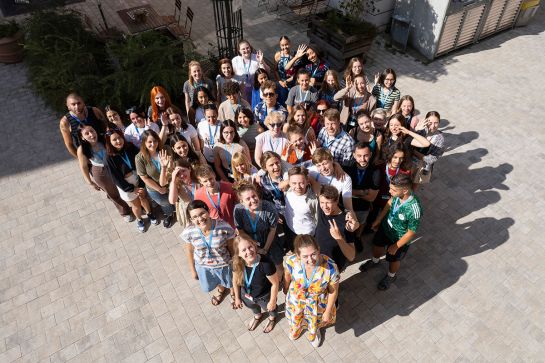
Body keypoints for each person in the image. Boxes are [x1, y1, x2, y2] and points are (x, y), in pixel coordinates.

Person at [359, 173, 423, 290]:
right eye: (390, 188)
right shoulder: (397, 195)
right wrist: (378, 219)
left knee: (394, 259)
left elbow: (411, 232)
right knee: (377, 245)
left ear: (404, 190)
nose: (389, 191)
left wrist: (396, 246)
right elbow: (389, 203)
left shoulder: (414, 209)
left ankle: (391, 276)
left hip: (399, 239)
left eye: (393, 190)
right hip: (385, 228)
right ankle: (375, 261)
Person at [283, 235, 339, 347]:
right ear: (298, 256)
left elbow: (333, 291)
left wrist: (327, 312)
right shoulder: (291, 261)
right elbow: (287, 274)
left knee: (314, 321)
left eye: (313, 254)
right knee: (296, 318)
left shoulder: (331, 268)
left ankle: (313, 332)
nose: (311, 260)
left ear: (318, 249)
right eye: (305, 256)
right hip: (296, 301)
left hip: (316, 304)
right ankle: (296, 329)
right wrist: (286, 287)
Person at [181, 200, 236, 305]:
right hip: (204, 267)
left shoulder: (224, 227)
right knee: (215, 281)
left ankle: (233, 292)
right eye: (195, 217)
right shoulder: (189, 232)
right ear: (191, 219)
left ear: (208, 211)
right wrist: (192, 270)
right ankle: (221, 289)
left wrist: (234, 264)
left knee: (230, 281)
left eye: (202, 213)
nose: (200, 219)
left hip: (224, 265)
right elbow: (189, 250)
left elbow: (231, 247)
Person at [76, 125, 132, 222]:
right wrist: (90, 182)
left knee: (125, 185)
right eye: (87, 133)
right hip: (100, 172)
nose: (91, 134)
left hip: (114, 166)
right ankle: (125, 211)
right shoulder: (82, 149)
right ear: (82, 137)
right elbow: (84, 166)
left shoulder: (104, 139)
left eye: (92, 131)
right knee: (112, 193)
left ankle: (136, 204)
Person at [104, 128, 156, 233]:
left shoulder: (130, 147)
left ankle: (149, 213)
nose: (118, 141)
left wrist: (141, 183)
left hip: (138, 177)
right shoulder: (108, 158)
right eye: (114, 140)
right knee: (136, 205)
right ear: (109, 142)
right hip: (126, 184)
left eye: (119, 138)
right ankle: (140, 220)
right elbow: (115, 178)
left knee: (143, 198)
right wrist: (131, 188)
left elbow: (141, 161)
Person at [232, 236, 279, 333]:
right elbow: (235, 280)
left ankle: (272, 318)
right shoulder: (236, 263)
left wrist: (272, 301)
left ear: (255, 246)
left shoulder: (266, 264)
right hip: (246, 295)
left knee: (271, 309)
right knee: (252, 307)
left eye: (250, 247)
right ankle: (258, 315)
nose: (248, 252)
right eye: (244, 250)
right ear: (238, 253)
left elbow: (275, 283)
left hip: (264, 297)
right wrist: (237, 297)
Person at [233, 181, 284, 269]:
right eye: (248, 199)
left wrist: (265, 249)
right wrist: (255, 246)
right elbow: (240, 231)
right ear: (242, 202)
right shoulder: (238, 210)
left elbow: (273, 230)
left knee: (277, 266)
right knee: (257, 268)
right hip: (250, 244)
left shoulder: (268, 207)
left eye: (254, 196)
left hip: (270, 241)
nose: (252, 200)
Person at [135, 130, 176, 228]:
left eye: (155, 141)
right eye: (149, 142)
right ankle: (169, 214)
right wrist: (159, 189)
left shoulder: (165, 149)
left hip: (170, 182)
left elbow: (172, 167)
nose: (153, 144)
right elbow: (144, 177)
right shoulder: (140, 158)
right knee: (165, 203)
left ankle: (175, 210)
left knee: (174, 199)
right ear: (144, 143)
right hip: (155, 188)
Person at [345, 142, 381, 250]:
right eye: (359, 156)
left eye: (365, 155)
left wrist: (351, 192)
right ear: (354, 155)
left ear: (370, 154)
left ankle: (357, 237)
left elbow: (371, 197)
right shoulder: (347, 167)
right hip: (347, 204)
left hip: (363, 206)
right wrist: (361, 192)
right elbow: (341, 190)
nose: (363, 159)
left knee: (361, 223)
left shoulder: (376, 172)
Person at [315, 185, 358, 272]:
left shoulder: (346, 221)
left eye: (328, 203)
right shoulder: (322, 207)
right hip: (316, 259)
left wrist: (339, 238)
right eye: (322, 202)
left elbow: (351, 256)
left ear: (337, 200)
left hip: (332, 266)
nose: (325, 206)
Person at [283, 166, 319, 251]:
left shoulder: (313, 199)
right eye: (294, 183)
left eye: (301, 183)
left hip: (306, 234)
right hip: (290, 227)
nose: (298, 187)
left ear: (307, 181)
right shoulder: (288, 190)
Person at [59, 93, 106, 157]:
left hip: (105, 149)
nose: (77, 107)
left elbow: (107, 129)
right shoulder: (65, 122)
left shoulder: (95, 111)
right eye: (73, 104)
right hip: (88, 156)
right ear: (68, 106)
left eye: (79, 103)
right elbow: (69, 144)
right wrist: (81, 158)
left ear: (83, 102)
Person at [411, 111, 445, 186]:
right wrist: (416, 129)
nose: (433, 126)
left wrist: (414, 152)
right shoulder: (421, 130)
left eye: (436, 123)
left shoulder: (440, 139)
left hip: (423, 166)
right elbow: (408, 140)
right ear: (426, 121)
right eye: (430, 122)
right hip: (409, 163)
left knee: (415, 184)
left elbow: (432, 159)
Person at [168, 159, 198, 229]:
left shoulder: (197, 179)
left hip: (201, 207)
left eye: (183, 171)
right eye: (178, 174)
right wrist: (173, 181)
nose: (181, 175)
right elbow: (172, 201)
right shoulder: (176, 184)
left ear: (189, 169)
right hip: (188, 211)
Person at [275, 37, 306, 105]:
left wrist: (286, 81)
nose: (285, 47)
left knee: (291, 104)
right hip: (281, 84)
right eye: (282, 45)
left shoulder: (296, 54)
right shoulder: (278, 55)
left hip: (292, 84)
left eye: (286, 44)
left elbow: (297, 74)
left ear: (290, 44)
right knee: (281, 103)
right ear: (280, 46)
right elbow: (276, 70)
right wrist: (280, 81)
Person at [258, 151, 289, 216]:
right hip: (280, 214)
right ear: (265, 168)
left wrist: (288, 181)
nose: (276, 167)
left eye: (277, 163)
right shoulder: (264, 183)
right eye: (271, 165)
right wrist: (274, 213)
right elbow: (266, 203)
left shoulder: (287, 173)